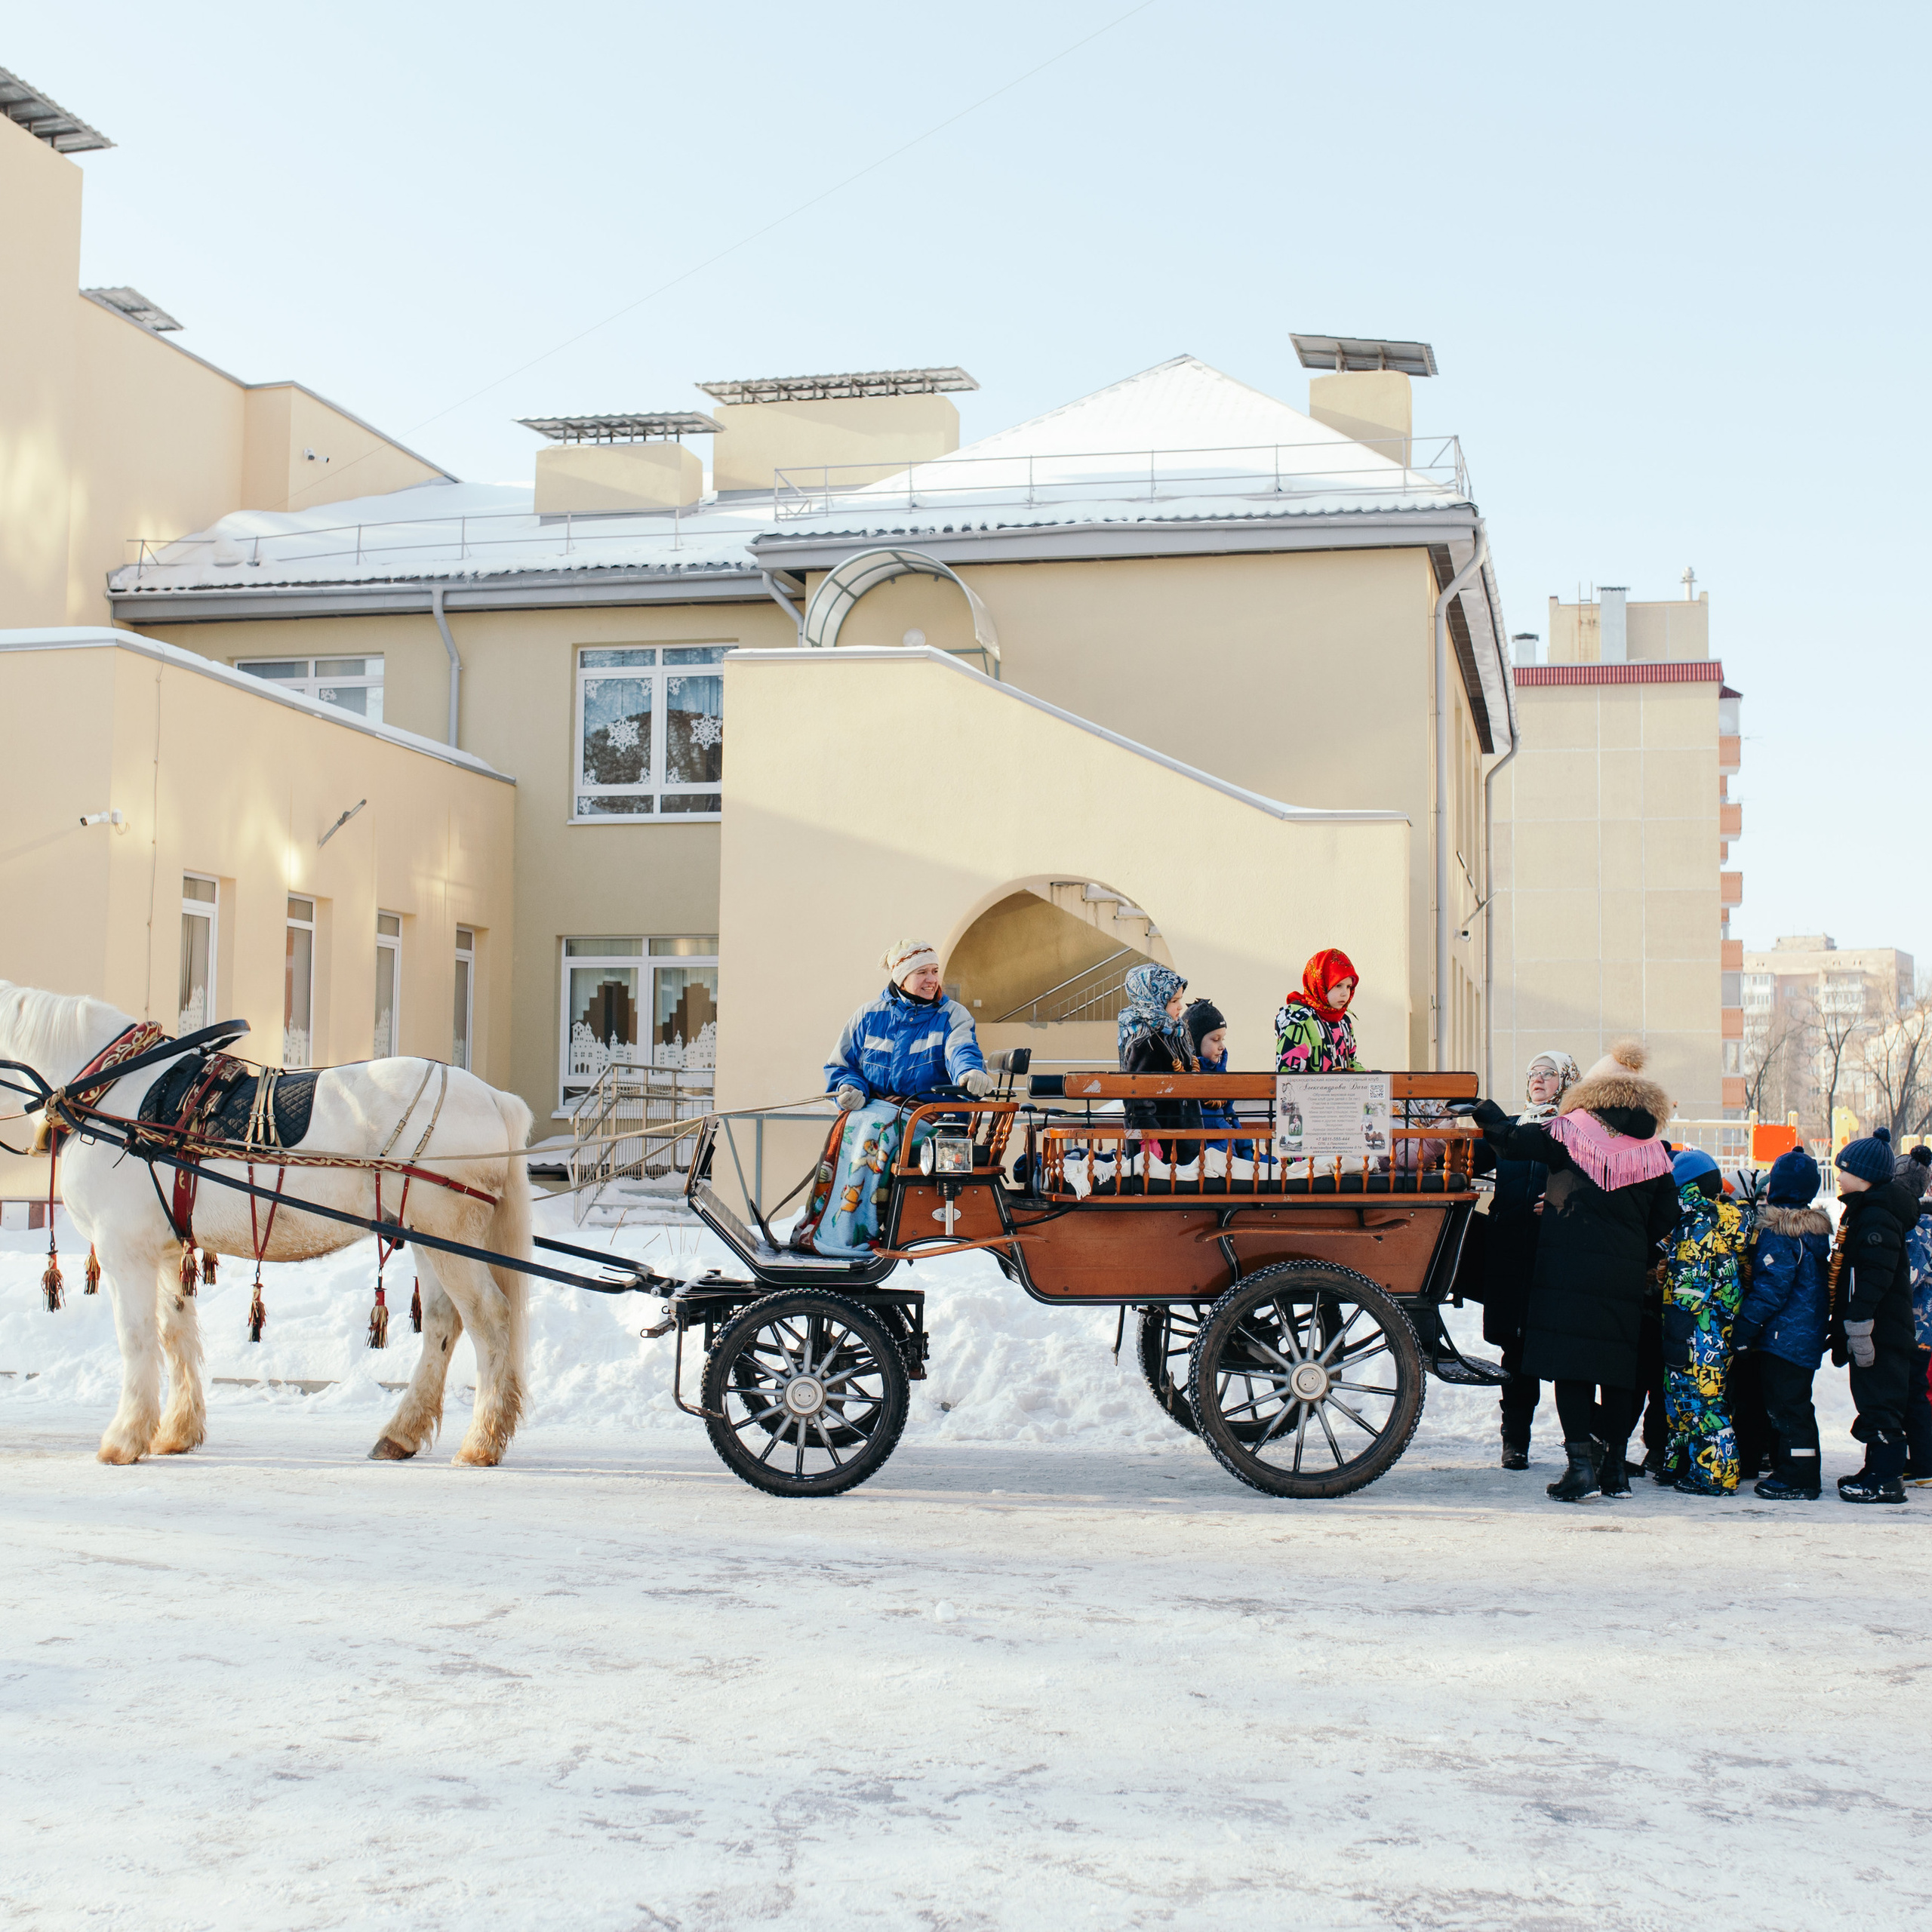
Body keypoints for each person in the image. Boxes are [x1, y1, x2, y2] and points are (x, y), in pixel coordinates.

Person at [1472, 1038, 1680, 1503]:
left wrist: (1486, 1114)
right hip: (1624, 1273)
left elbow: (1517, 1140)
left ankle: (1580, 1468)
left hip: (1569, 1267)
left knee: (1574, 1369)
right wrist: (1636, 1240)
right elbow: (1669, 1210)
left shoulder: (1573, 1129)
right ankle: (1616, 1474)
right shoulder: (1650, 1146)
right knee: (1617, 1369)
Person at [795, 940, 993, 1257]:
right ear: (902, 978)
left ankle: (861, 1235)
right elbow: (842, 1066)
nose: (932, 980)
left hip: (930, 1119)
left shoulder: (952, 1016)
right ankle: (823, 1226)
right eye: (923, 972)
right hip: (877, 1109)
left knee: (878, 1129)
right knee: (847, 1125)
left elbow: (962, 1051)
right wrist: (849, 1089)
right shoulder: (868, 1016)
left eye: (935, 971)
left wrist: (970, 1073)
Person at [1480, 1050, 1578, 1471]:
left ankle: (1582, 1444)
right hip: (1511, 1253)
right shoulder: (1516, 1128)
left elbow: (1594, 1181)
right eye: (1533, 1072)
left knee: (1559, 1353)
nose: (1538, 1079)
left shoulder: (1578, 1129)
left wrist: (1562, 1201)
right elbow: (1473, 1162)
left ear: (1568, 1080)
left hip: (1554, 1257)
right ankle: (1515, 1441)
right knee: (1515, 1354)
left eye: (1549, 1073)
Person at [1732, 1146, 1832, 1500]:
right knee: (1795, 1406)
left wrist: (1746, 1327)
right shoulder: (1813, 1233)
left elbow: (1771, 1288)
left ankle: (1799, 1477)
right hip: (1803, 1335)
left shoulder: (1779, 1231)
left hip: (1782, 1337)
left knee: (1788, 1409)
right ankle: (1794, 1468)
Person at [1831, 1128, 1920, 1505]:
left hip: (1880, 1332)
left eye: (1844, 1169)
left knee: (1881, 1404)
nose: (1837, 1175)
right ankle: (1875, 1470)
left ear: (1864, 1176)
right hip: (1875, 1329)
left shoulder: (1877, 1217)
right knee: (1870, 1400)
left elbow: (1874, 1276)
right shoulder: (1867, 1210)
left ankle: (1886, 1480)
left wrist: (1860, 1323)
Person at [1660, 1147, 1750, 1495]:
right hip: (1717, 1327)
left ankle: (1716, 1476)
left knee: (1702, 1406)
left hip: (1695, 1332)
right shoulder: (1723, 1218)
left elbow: (1688, 1287)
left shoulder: (1695, 1227)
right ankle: (1685, 1465)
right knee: (1691, 1402)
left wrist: (1675, 1324)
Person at [1117, 962, 1201, 1169]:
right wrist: (1149, 1138)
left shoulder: (1175, 1033)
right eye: (1174, 1001)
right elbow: (1137, 1094)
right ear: (1152, 1000)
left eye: (1180, 999)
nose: (1180, 1007)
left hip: (1184, 1139)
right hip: (1161, 1148)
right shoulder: (1145, 1040)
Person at [1894, 1146, 1932, 1482]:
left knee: (1913, 1395)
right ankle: (1920, 1459)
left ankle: (1924, 1462)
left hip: (1917, 1327)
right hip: (1923, 1326)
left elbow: (1912, 1275)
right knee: (1914, 1393)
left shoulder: (1916, 1226)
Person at [1184, 997, 1254, 1164]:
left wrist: (1249, 1159)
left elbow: (1233, 1120)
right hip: (1205, 1161)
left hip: (1229, 1157)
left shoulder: (1221, 1075)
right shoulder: (1186, 1077)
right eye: (1215, 1040)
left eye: (1223, 1039)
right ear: (1194, 1042)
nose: (1222, 1046)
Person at [1275, 948, 1362, 1073]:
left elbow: (1351, 1062)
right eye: (1338, 986)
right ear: (1320, 983)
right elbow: (1289, 1074)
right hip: (1311, 1092)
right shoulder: (1299, 1019)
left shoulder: (1343, 1021)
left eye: (1349, 986)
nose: (1345, 993)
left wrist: (1373, 1078)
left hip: (1342, 1092)